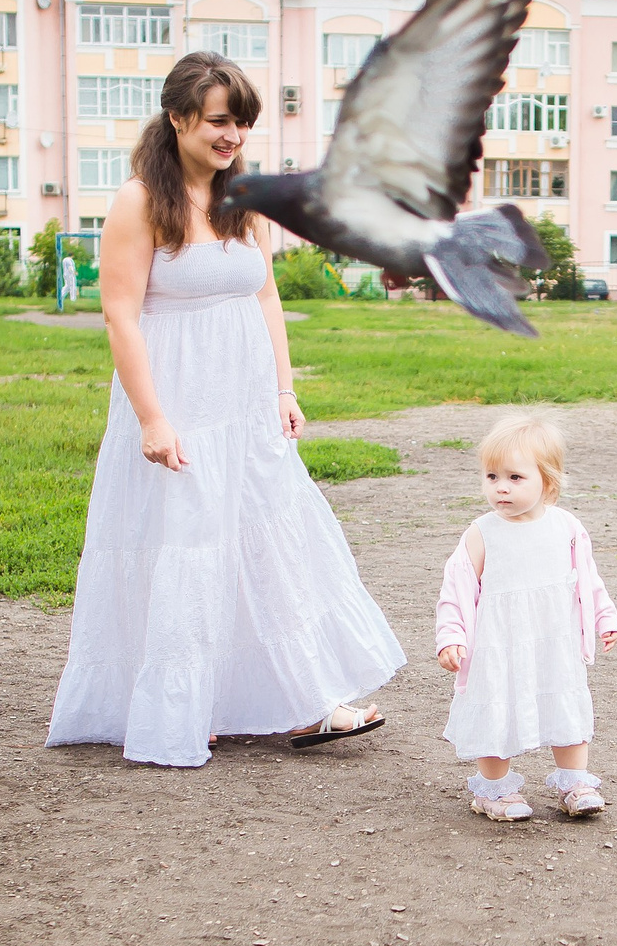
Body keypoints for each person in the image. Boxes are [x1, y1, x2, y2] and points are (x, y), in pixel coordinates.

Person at [47, 52, 404, 767]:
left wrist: (283, 387)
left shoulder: (245, 198)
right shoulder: (140, 201)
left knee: (272, 542)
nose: (232, 134)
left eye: (241, 122)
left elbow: (264, 294)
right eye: (218, 120)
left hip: (246, 405)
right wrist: (151, 418)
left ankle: (307, 701)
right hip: (178, 402)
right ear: (177, 118)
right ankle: (186, 705)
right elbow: (120, 316)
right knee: (186, 545)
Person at [434, 414, 617, 820]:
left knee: (565, 706)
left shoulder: (566, 528)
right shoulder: (481, 533)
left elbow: (588, 583)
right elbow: (456, 590)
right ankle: (495, 789)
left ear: (548, 482)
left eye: (515, 477)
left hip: (554, 641)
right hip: (498, 646)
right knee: (495, 711)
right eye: (491, 476)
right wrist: (451, 636)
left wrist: (605, 617)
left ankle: (574, 781)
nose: (501, 487)